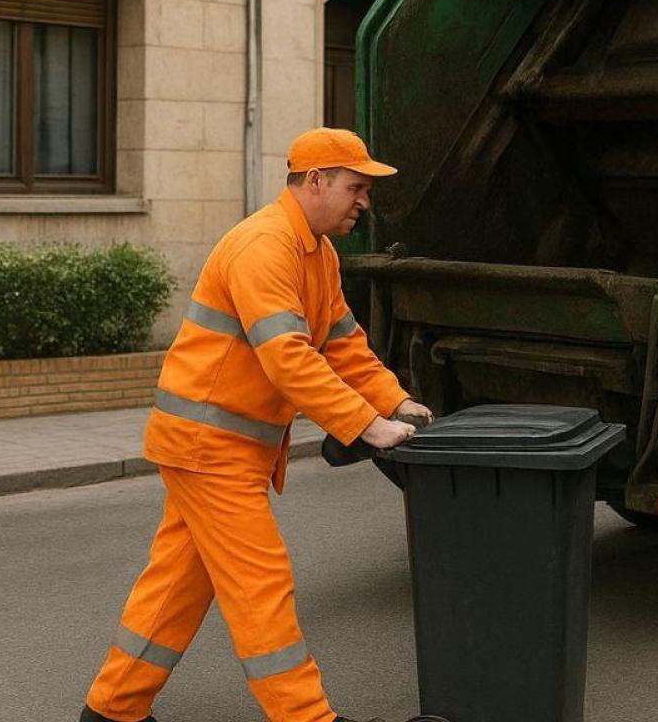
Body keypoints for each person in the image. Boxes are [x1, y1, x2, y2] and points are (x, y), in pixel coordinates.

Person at [81, 128, 430, 722]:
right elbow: (288, 355)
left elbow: (344, 344)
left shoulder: (315, 253)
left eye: (366, 190)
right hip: (209, 447)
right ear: (315, 181)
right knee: (260, 585)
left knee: (176, 587)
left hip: (217, 445)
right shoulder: (264, 247)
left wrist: (396, 401)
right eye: (355, 186)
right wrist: (365, 425)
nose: (363, 201)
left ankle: (112, 710)